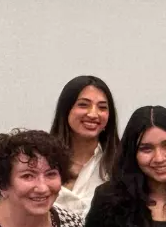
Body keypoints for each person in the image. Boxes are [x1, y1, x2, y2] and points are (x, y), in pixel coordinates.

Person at [48, 76, 120, 218]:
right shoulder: (43, 160)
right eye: (83, 105)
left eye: (102, 107)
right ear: (66, 110)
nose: (93, 114)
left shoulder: (121, 163)